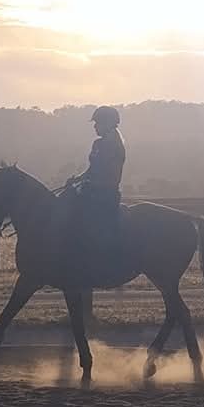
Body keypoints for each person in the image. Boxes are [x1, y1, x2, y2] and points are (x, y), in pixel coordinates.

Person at [64, 106, 126, 283]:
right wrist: (77, 179)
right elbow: (92, 170)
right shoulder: (98, 144)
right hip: (93, 190)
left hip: (105, 193)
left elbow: (110, 175)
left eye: (98, 123)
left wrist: (89, 184)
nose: (95, 126)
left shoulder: (115, 145)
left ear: (109, 123)